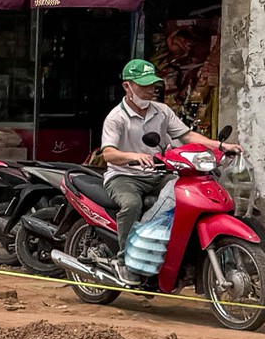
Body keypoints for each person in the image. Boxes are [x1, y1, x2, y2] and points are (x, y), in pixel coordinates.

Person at [96, 59, 232, 279]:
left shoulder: (162, 111)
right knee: (131, 204)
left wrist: (221, 146)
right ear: (127, 86)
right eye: (144, 85)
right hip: (124, 176)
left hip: (158, 173)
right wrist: (134, 156)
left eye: (152, 85)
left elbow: (186, 136)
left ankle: (162, 248)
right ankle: (125, 261)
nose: (150, 90)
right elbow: (108, 154)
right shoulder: (116, 118)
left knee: (187, 194)